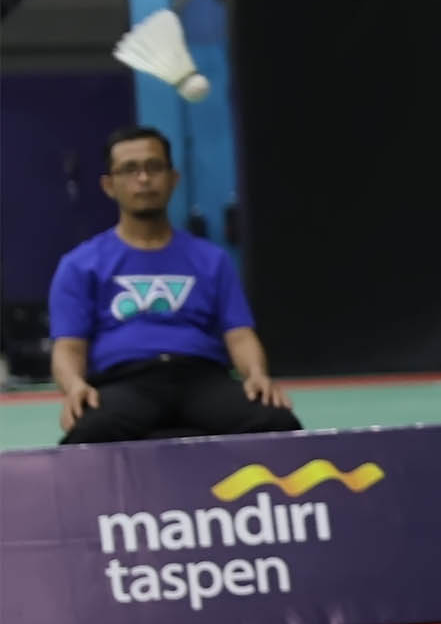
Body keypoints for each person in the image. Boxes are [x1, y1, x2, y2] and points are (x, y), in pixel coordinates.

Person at [49, 126, 300, 445]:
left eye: (154, 167)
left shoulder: (212, 259)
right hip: (124, 383)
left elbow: (239, 335)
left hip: (202, 380)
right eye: (129, 169)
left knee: (276, 420)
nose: (143, 178)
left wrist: (256, 375)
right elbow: (69, 346)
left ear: (173, 178)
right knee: (89, 434)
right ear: (109, 185)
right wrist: (74, 387)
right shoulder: (79, 264)